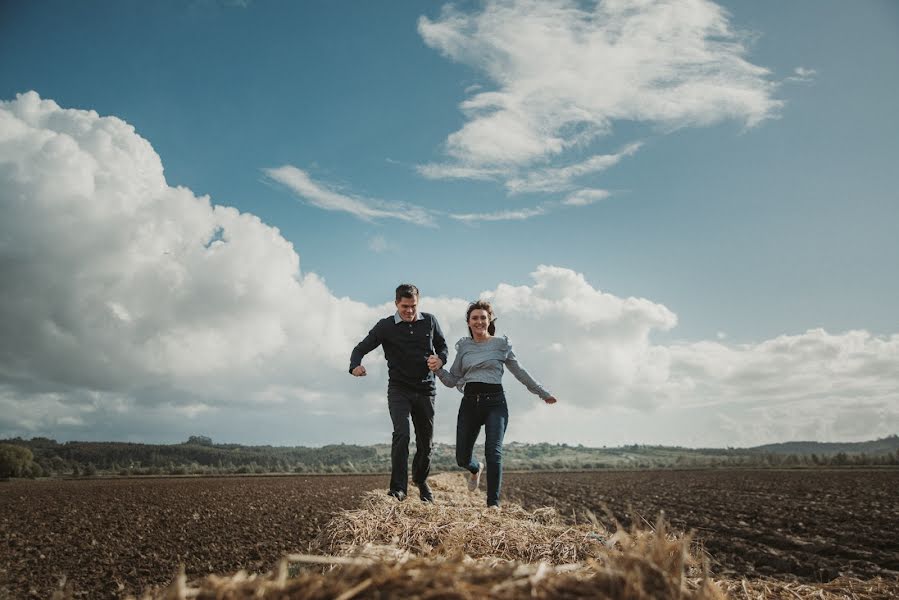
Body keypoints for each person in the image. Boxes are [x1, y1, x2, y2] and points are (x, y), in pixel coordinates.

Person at [433, 300, 557, 508]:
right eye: (475, 318)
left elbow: (520, 372)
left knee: (494, 452)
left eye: (483, 317)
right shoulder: (464, 347)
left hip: (495, 404)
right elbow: (452, 380)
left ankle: (493, 505)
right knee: (462, 458)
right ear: (469, 322)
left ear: (489, 320)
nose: (479, 321)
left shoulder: (501, 345)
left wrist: (542, 393)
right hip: (470, 404)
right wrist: (437, 368)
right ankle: (475, 468)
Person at [349, 283, 448, 502]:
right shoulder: (385, 326)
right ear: (396, 304)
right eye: (405, 306)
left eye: (413, 306)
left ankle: (420, 481)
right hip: (399, 389)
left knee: (426, 443)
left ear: (418, 303)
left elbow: (443, 347)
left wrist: (440, 359)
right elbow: (360, 349)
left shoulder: (430, 321)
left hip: (426, 389)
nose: (410, 311)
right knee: (402, 435)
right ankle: (398, 489)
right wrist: (355, 365)